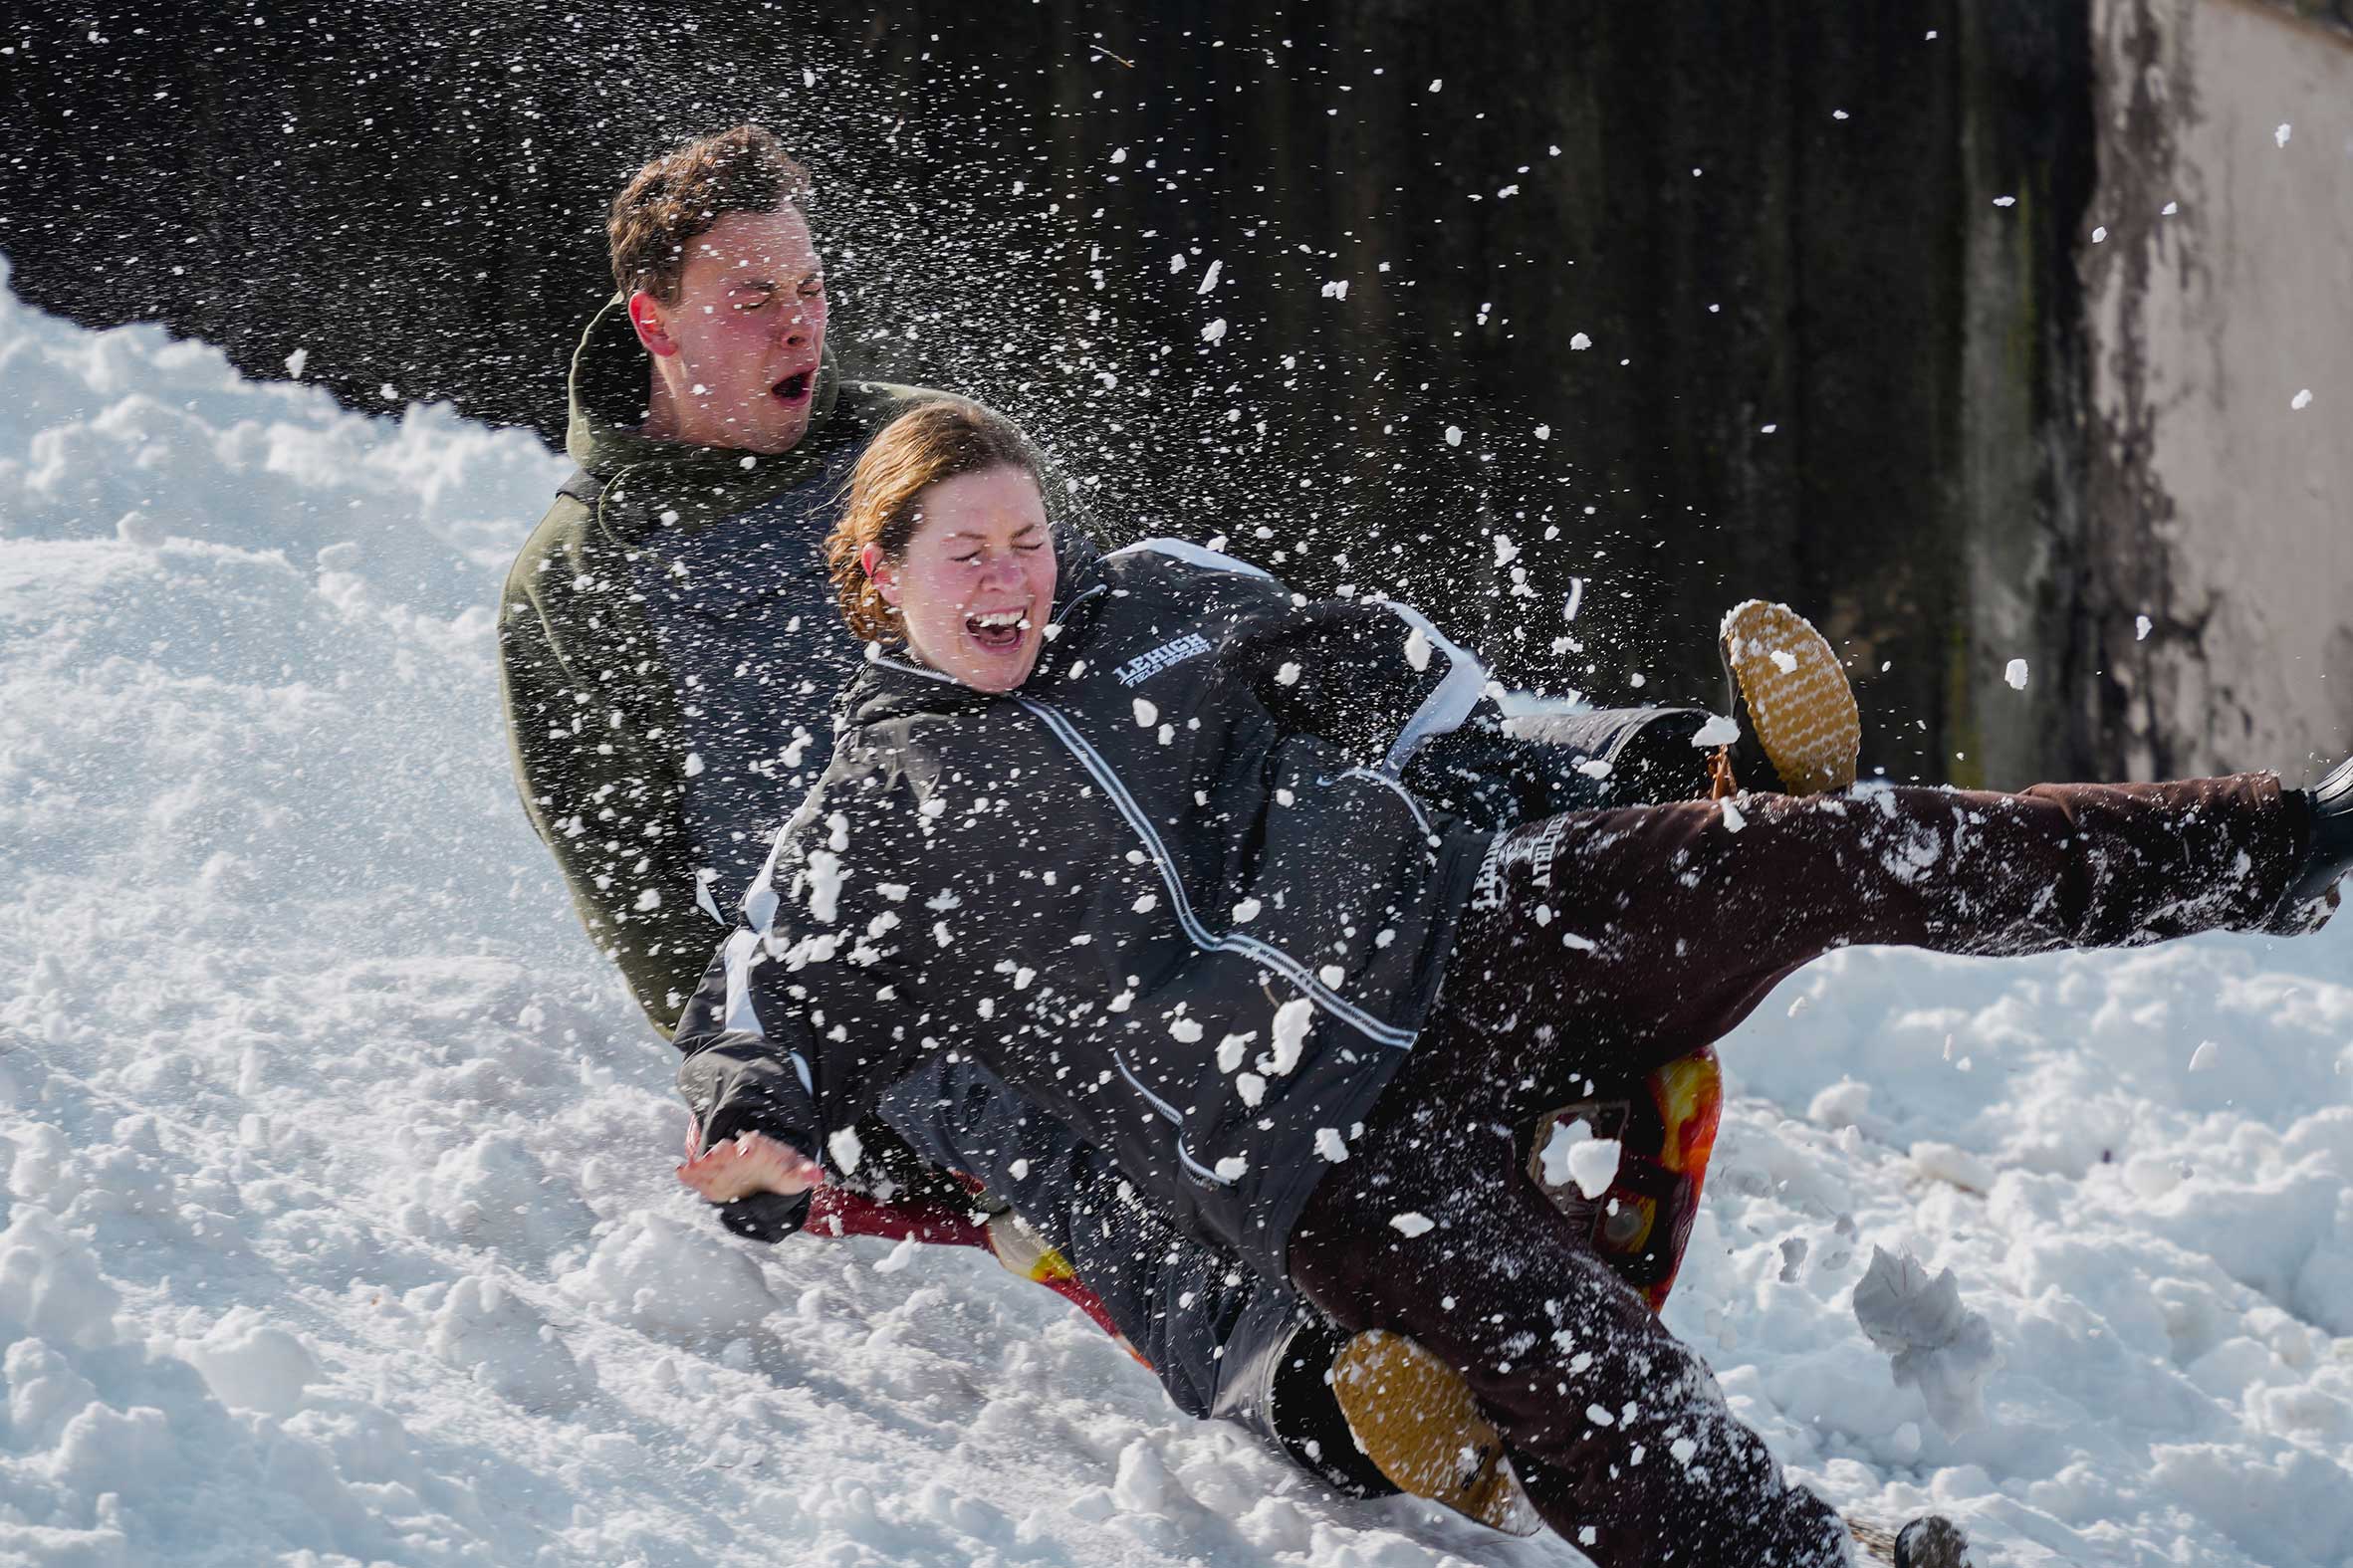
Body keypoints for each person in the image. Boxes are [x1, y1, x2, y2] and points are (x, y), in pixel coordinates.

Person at [671, 399, 2350, 1568]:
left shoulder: (1172, 608)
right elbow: (756, 1019)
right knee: (1585, 1367)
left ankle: (2272, 854)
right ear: (877, 575)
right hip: (1315, 1151)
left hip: (1470, 935)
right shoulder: (868, 831)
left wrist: (1682, 758)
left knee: (1825, 847)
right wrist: (752, 1133)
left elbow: (1462, 729)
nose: (1012, 580)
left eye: (1028, 539)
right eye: (964, 554)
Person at [494, 120, 1725, 1524]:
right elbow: (639, 886)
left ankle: (1669, 777)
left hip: (1107, 837)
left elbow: (1098, 627)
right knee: (1082, 1138)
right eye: (754, 296)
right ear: (655, 321)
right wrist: (787, 1088)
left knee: (1359, 808)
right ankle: (1329, 1384)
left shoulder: (903, 440)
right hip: (898, 957)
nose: (802, 325)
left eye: (813, 285)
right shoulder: (578, 586)